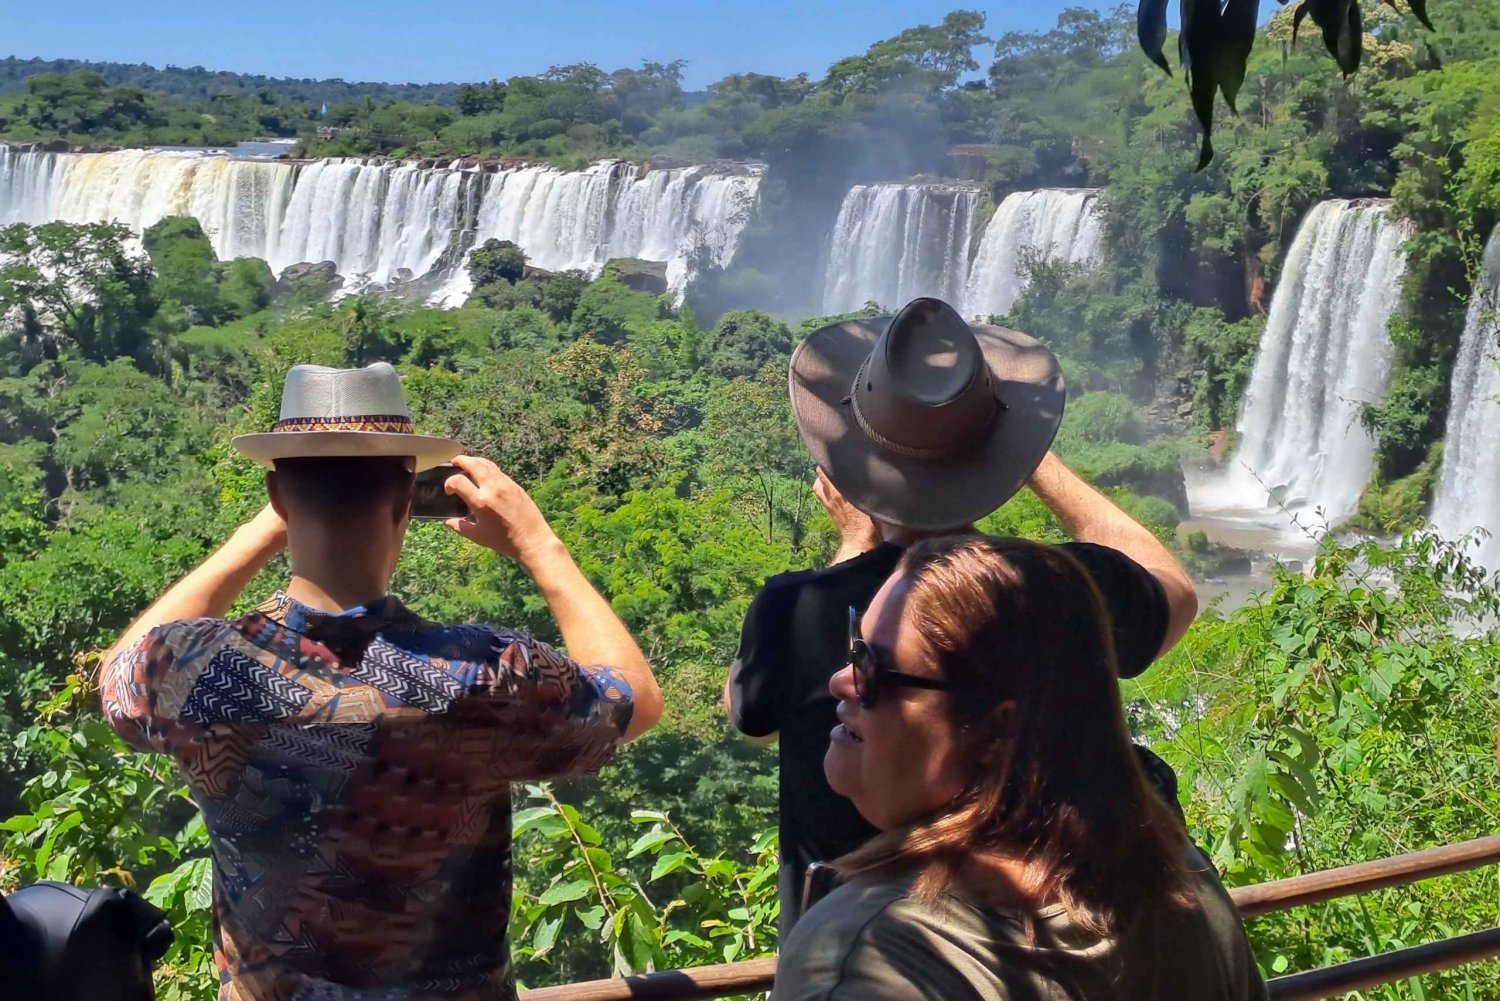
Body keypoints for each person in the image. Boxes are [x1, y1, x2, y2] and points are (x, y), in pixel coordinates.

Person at [101, 362, 663, 1001]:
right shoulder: (487, 672)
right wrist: (541, 548)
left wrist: (255, 535)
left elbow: (117, 674)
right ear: (402, 504)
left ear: (279, 498)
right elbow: (635, 702)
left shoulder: (192, 665)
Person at [726, 298, 1198, 934]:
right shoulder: (1063, 594)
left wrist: (849, 553)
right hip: (1036, 950)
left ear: (842, 469)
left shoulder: (796, 608)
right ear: (1000, 455)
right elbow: (1175, 591)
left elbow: (749, 718)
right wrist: (1028, 457)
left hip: (852, 955)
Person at [773, 537, 1266, 1001]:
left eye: (873, 668)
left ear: (995, 732)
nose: (841, 683)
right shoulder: (1181, 882)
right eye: (853, 649)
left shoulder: (869, 957)